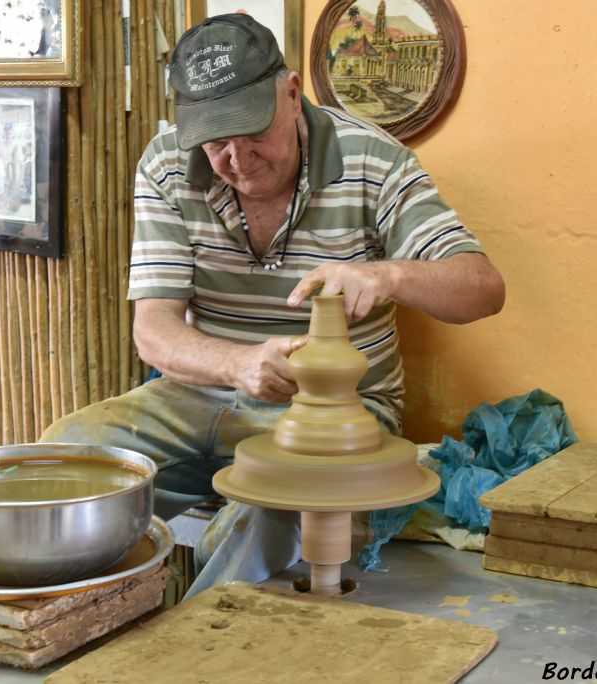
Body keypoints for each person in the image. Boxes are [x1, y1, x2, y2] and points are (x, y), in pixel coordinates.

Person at [40, 14, 504, 596]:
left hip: (337, 416)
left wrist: (390, 274)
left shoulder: (373, 160)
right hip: (193, 394)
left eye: (252, 130)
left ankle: (200, 648)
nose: (238, 159)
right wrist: (238, 364)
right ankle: (79, 628)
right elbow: (153, 331)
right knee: (64, 462)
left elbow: (482, 288)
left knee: (274, 508)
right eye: (216, 141)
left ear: (290, 93)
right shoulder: (165, 164)